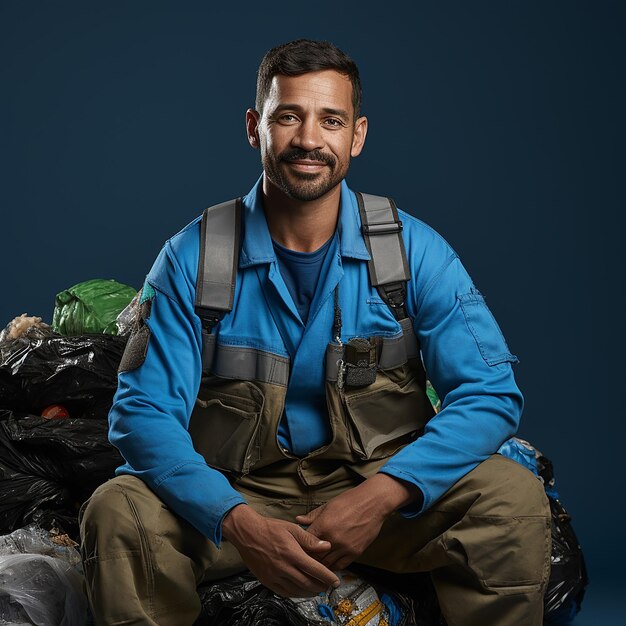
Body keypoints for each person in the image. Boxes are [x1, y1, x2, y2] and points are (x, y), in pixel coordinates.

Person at [79, 39, 551, 626]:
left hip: (381, 494)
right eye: (288, 116)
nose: (308, 139)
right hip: (236, 494)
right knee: (117, 511)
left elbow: (490, 392)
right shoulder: (194, 257)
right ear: (255, 128)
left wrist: (381, 496)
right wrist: (239, 523)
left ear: (356, 135)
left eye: (331, 120)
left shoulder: (410, 251)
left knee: (512, 500)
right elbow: (141, 413)